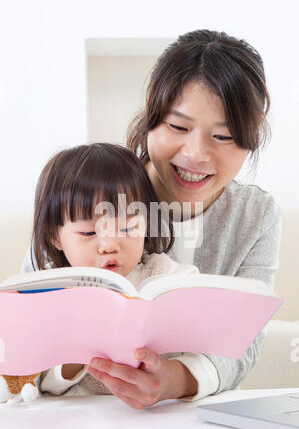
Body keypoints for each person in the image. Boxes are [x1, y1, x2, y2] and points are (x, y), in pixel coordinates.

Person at [22, 29, 282, 409]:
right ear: (151, 116)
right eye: (178, 127)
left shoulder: (255, 216)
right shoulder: (90, 190)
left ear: (250, 141)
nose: (195, 154)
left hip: (188, 418)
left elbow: (245, 341)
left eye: (224, 136)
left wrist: (174, 381)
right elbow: (27, 328)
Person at [22, 142, 201, 405]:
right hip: (80, 421)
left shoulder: (161, 274)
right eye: (88, 233)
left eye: (128, 229)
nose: (109, 245)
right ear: (55, 236)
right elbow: (37, 382)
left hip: (158, 417)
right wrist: (77, 350)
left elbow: (199, 300)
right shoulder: (52, 290)